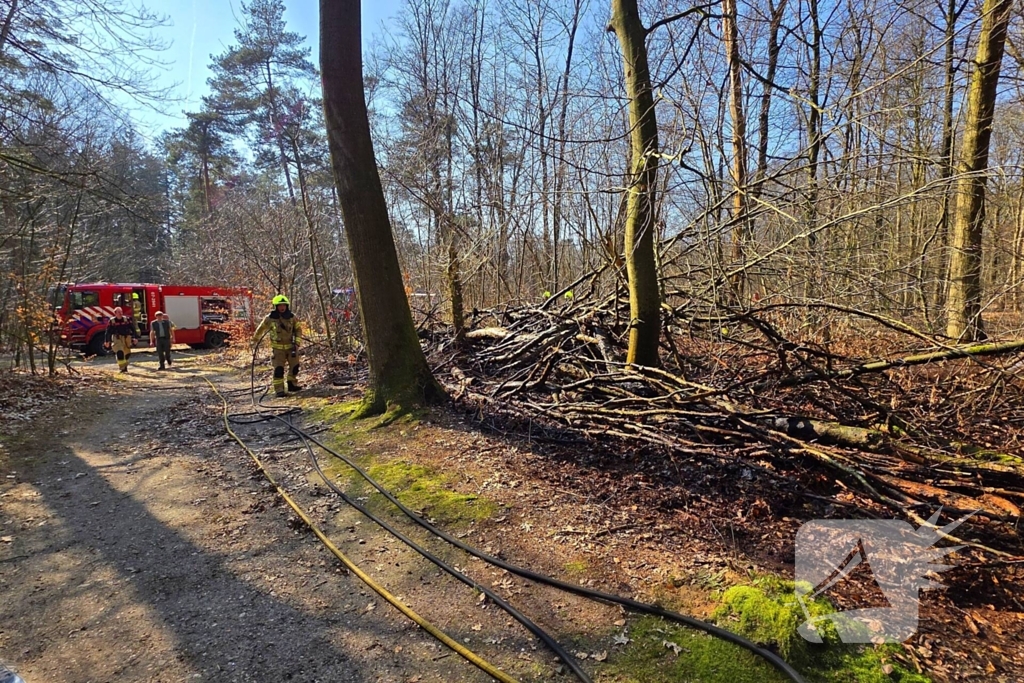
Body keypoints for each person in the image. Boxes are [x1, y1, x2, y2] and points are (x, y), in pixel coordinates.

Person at [252, 294, 303, 397]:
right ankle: (279, 390)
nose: (282, 307)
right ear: (276, 306)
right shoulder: (270, 318)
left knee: (295, 367)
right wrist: (255, 341)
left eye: (284, 305)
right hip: (278, 350)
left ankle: (292, 384)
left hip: (291, 348)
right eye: (280, 305)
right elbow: (260, 329)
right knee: (278, 370)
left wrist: (297, 343)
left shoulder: (292, 317)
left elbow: (298, 329)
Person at [104, 307, 139, 373]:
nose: (120, 313)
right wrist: (107, 341)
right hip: (116, 338)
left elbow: (133, 329)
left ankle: (125, 367)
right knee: (119, 351)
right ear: (115, 313)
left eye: (121, 312)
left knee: (127, 353)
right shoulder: (112, 321)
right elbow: (108, 332)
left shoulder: (127, 319)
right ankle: (122, 368)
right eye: (119, 312)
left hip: (126, 337)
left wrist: (135, 338)